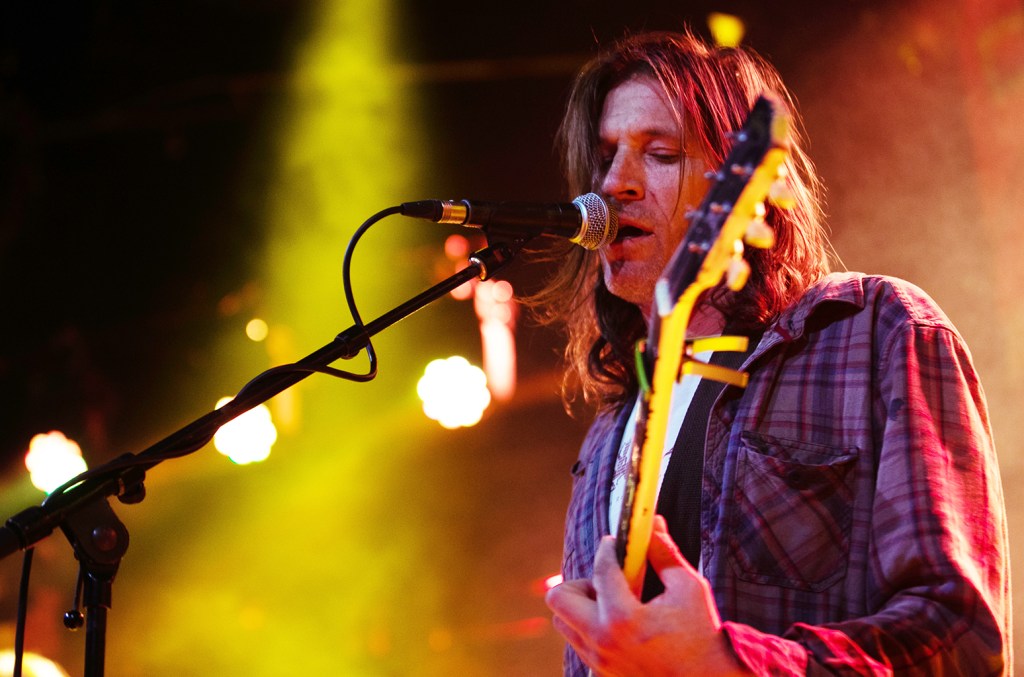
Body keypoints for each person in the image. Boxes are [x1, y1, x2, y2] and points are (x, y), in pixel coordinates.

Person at [537, 30, 1012, 675]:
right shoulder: (606, 435)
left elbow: (960, 637)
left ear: (741, 193)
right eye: (604, 157)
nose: (614, 184)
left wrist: (722, 661)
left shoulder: (874, 329)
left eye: (662, 153)